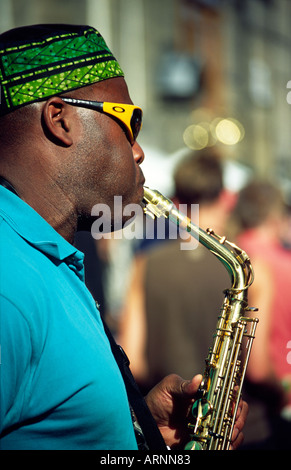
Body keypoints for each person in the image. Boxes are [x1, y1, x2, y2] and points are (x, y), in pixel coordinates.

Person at [0, 24, 247, 450]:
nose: (138, 150)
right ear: (60, 120)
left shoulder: (48, 260)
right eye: (128, 121)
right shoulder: (10, 286)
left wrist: (137, 431)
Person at [118, 149, 236, 391]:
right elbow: (259, 368)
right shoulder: (248, 267)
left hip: (169, 414)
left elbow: (133, 361)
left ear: (178, 203)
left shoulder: (146, 263)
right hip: (241, 422)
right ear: (225, 197)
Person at [231, 180, 291, 450]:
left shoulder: (226, 258)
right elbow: (258, 366)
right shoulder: (285, 266)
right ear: (274, 216)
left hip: (232, 410)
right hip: (277, 401)